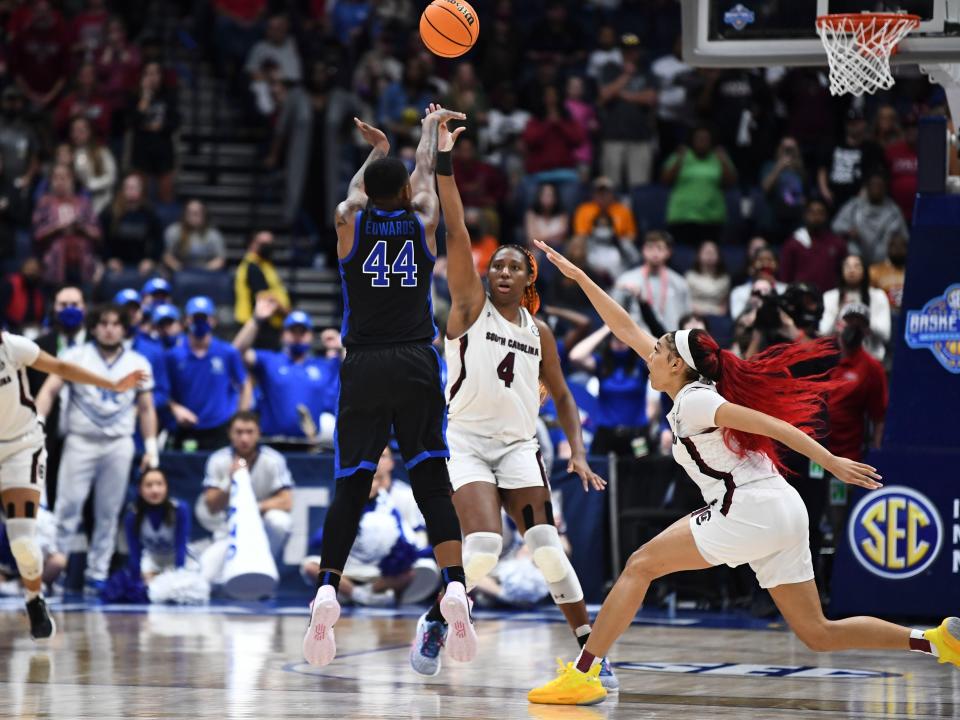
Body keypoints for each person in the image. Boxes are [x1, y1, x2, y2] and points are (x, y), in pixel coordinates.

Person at [526, 238, 960, 705]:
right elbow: (624, 325)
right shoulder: (688, 389)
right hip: (782, 509)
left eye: (658, 352)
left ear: (676, 364)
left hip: (751, 507)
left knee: (639, 566)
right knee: (817, 632)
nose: (647, 354)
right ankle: (936, 640)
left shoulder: (698, 401)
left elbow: (773, 424)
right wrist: (581, 278)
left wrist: (831, 462)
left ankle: (586, 672)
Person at [415, 105, 611, 683]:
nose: (499, 270)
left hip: (522, 447)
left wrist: (575, 450)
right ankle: (434, 621)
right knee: (480, 551)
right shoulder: (469, 307)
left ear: (529, 279)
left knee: (549, 548)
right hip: (470, 443)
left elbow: (565, 397)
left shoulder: (540, 332)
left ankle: (589, 654)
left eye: (511, 266)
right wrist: (442, 155)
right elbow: (455, 227)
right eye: (494, 263)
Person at [302, 109, 476, 669]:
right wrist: (430, 130)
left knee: (351, 485)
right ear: (403, 191)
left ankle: (327, 588)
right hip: (417, 359)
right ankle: (453, 584)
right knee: (430, 478)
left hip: (364, 363)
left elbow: (359, 192)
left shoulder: (348, 221)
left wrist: (374, 151)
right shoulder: (422, 219)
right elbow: (425, 174)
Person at [34, 304, 158, 595]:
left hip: (119, 443)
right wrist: (38, 423)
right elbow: (49, 389)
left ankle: (97, 574)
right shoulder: (76, 356)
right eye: (103, 322)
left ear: (125, 328)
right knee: (67, 507)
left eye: (116, 323)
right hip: (81, 441)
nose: (109, 328)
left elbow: (146, 408)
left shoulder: (138, 362)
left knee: (108, 512)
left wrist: (151, 447)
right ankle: (55, 569)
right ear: (93, 326)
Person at [300, 446, 438, 607]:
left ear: (392, 463)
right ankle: (360, 595)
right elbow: (324, 536)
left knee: (425, 568)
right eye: (372, 455)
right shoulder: (348, 494)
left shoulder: (407, 495)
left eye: (382, 456)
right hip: (350, 564)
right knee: (311, 566)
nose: (376, 461)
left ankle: (368, 591)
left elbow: (419, 536)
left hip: (387, 569)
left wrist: (404, 555)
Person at [195, 411, 293, 572]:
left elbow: (286, 501)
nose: (244, 438)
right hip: (228, 528)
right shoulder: (218, 460)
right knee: (207, 573)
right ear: (230, 434)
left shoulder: (274, 459)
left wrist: (252, 508)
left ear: (258, 433)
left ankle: (264, 569)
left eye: (249, 432)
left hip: (261, 526)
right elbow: (212, 506)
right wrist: (230, 481)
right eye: (239, 432)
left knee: (280, 522)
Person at [232, 299, 338, 441]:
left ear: (311, 336)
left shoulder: (324, 366)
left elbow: (357, 368)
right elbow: (235, 353)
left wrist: (341, 345)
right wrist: (256, 320)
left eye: (303, 331)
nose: (298, 336)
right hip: (272, 442)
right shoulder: (270, 360)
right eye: (293, 331)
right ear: (283, 335)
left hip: (311, 445)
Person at [165, 296, 249, 450]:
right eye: (195, 318)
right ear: (186, 321)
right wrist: (175, 408)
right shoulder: (173, 356)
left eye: (204, 318)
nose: (200, 322)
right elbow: (163, 390)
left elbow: (244, 383)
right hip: (186, 427)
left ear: (213, 321)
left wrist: (240, 419)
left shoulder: (227, 352)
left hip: (220, 427)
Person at [569, 325, 653, 458]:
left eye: (623, 339)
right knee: (600, 473)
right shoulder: (602, 364)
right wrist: (606, 328)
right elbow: (575, 356)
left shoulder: (640, 365)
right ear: (609, 342)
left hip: (637, 434)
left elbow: (658, 353)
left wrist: (636, 330)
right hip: (606, 434)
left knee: (640, 473)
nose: (619, 342)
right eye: (615, 339)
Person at [662, 125, 736, 246]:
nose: (702, 142)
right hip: (682, 216)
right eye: (698, 138)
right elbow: (665, 180)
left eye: (705, 139)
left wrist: (723, 160)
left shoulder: (718, 157)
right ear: (692, 140)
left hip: (712, 218)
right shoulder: (682, 155)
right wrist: (679, 159)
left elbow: (730, 183)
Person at [123, 467, 192, 583]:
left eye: (160, 484)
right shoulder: (132, 515)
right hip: (152, 562)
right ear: (140, 489)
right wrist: (136, 580)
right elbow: (135, 553)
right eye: (149, 485)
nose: (155, 490)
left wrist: (179, 576)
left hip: (180, 559)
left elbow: (181, 545)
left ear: (166, 487)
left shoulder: (179, 509)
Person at [613, 231, 690, 333]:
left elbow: (687, 317)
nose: (654, 253)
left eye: (659, 248)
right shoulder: (627, 279)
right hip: (638, 339)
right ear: (643, 250)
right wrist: (621, 292)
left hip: (671, 340)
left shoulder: (680, 282)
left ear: (668, 252)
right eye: (650, 248)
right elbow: (614, 314)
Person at [819, 254, 891, 361]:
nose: (852, 270)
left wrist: (863, 318)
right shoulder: (830, 297)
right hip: (838, 360)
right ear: (841, 271)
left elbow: (885, 335)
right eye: (847, 266)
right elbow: (823, 333)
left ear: (864, 270)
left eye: (857, 266)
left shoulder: (878, 296)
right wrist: (838, 310)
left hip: (872, 359)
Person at [831, 172, 909, 267]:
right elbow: (835, 226)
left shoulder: (893, 211)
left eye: (880, 185)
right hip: (856, 261)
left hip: (884, 263)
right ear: (867, 187)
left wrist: (896, 241)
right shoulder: (854, 205)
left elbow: (905, 237)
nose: (876, 188)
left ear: (885, 188)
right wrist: (848, 230)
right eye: (873, 185)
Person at [234, 230, 291, 350]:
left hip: (269, 326)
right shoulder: (252, 266)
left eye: (271, 244)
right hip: (257, 326)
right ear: (252, 244)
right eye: (264, 244)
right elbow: (265, 299)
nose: (268, 247)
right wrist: (287, 312)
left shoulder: (265, 265)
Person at [780, 198, 846, 295]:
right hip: (800, 299)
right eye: (812, 212)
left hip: (830, 299)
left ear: (826, 216)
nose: (816, 216)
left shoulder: (837, 243)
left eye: (820, 212)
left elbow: (842, 274)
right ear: (805, 215)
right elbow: (784, 277)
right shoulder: (793, 243)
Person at [162, 199, 226, 272]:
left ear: (204, 215)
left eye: (197, 213)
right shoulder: (173, 231)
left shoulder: (214, 234)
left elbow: (220, 260)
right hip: (180, 273)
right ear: (184, 214)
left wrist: (204, 270)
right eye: (190, 213)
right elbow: (167, 256)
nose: (193, 216)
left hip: (207, 273)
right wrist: (180, 269)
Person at [685, 240, 730, 317]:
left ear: (719, 256)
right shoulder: (689, 276)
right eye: (706, 252)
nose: (709, 255)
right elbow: (685, 301)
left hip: (717, 316)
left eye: (712, 252)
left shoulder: (725, 279)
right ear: (698, 255)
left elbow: (724, 306)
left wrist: (713, 312)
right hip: (693, 315)